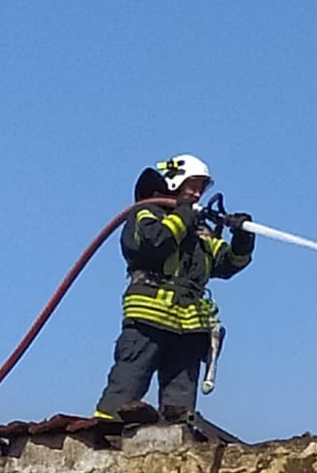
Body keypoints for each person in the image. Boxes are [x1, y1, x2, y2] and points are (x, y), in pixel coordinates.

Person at [94, 154, 254, 424]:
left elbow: (227, 264)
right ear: (174, 181)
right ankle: (103, 433)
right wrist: (183, 214)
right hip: (150, 314)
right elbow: (154, 243)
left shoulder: (198, 230)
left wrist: (242, 238)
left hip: (189, 325)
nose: (197, 193)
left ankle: (174, 436)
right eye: (192, 185)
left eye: (202, 187)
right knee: (129, 380)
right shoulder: (147, 212)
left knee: (180, 397)